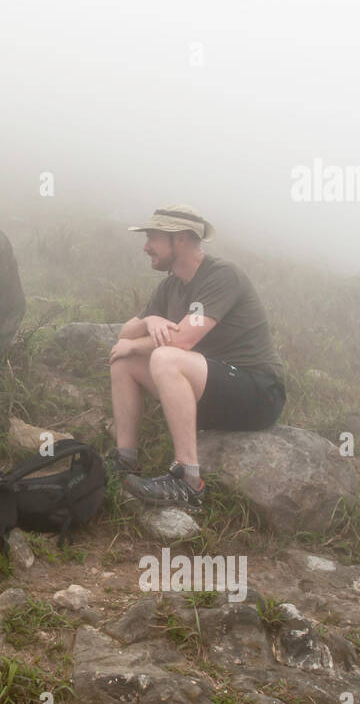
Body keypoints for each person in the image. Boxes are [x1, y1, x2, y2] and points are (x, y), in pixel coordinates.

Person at [108, 206, 285, 509]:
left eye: (153, 237)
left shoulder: (222, 276)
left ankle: (188, 480)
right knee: (124, 362)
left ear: (181, 240)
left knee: (165, 357)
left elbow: (183, 340)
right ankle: (126, 459)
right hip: (211, 390)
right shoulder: (171, 285)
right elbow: (126, 332)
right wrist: (150, 321)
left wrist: (137, 344)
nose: (146, 246)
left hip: (258, 392)